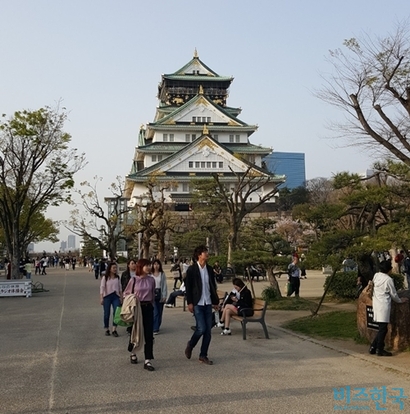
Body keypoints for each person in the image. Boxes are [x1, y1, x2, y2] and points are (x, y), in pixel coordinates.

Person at [184, 245, 219, 365]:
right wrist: (189, 302)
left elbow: (212, 286)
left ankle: (203, 355)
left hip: (208, 302)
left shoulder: (209, 269)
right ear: (199, 255)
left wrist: (215, 302)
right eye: (205, 252)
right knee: (201, 328)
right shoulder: (192, 270)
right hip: (197, 303)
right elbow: (188, 287)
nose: (207, 254)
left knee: (208, 332)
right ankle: (191, 344)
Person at [369, 260, 408, 356]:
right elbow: (393, 294)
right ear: (389, 270)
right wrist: (400, 300)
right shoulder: (388, 280)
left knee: (381, 328)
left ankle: (373, 347)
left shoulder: (376, 275)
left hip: (377, 303)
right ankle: (379, 349)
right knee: (383, 328)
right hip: (383, 305)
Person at [123, 258, 156, 371]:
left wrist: (153, 306)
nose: (149, 267)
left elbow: (152, 294)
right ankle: (133, 352)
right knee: (135, 331)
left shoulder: (151, 280)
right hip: (137, 308)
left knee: (149, 334)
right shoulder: (134, 280)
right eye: (146, 265)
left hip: (148, 308)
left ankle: (148, 360)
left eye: (149, 265)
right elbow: (126, 294)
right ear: (140, 267)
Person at [99, 262, 122, 337]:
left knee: (116, 313)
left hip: (115, 296)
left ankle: (114, 329)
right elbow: (102, 288)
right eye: (113, 268)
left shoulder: (117, 277)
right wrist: (101, 297)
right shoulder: (105, 278)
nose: (115, 269)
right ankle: (106, 328)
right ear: (110, 269)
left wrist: (121, 298)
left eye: (116, 268)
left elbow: (120, 288)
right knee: (106, 314)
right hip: (107, 296)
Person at [151, 259, 168, 334]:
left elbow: (164, 285)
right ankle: (155, 328)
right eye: (154, 264)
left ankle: (157, 325)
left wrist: (164, 295)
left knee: (160, 312)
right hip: (152, 294)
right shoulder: (150, 274)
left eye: (157, 264)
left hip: (160, 293)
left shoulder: (162, 274)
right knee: (155, 312)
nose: (156, 266)